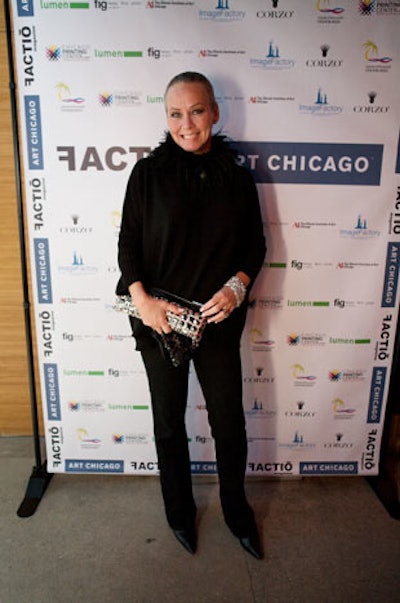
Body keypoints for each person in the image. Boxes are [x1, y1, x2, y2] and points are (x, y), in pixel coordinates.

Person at [116, 72, 266, 558]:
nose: (187, 123)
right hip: (159, 322)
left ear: (214, 113)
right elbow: (128, 244)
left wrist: (238, 285)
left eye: (197, 110)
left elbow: (255, 246)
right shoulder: (146, 175)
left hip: (216, 323)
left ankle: (236, 512)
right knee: (167, 423)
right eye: (176, 113)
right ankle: (179, 514)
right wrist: (141, 299)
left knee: (228, 423)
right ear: (166, 119)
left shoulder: (238, 178)